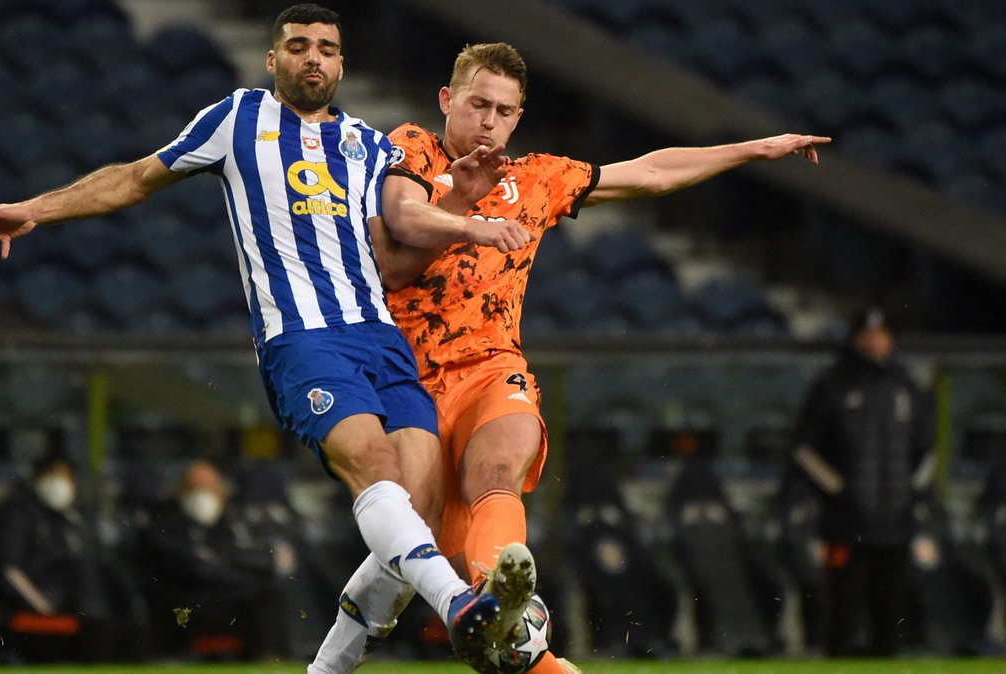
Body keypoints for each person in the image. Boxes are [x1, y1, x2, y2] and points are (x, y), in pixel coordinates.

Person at [0, 6, 537, 670]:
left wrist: (461, 208)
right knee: (373, 466)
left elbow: (402, 231)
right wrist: (35, 208)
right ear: (273, 60)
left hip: (380, 336)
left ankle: (330, 666)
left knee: (418, 525)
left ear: (342, 65)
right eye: (298, 46)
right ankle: (463, 606)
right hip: (302, 338)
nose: (313, 57)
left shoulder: (368, 145)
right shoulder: (237, 119)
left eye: (327, 48)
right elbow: (137, 177)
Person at [310, 42, 831, 674]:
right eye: (477, 104)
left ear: (517, 119)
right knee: (421, 557)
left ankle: (502, 596)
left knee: (499, 465)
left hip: (490, 367)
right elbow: (404, 219)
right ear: (448, 101)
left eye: (503, 111)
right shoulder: (411, 149)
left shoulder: (537, 179)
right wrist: (468, 215)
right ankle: (428, 636)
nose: (488, 122)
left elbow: (651, 172)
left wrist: (751, 149)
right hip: (407, 382)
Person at [790, 307, 934, 656]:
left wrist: (911, 494)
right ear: (854, 338)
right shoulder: (832, 386)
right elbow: (802, 448)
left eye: (881, 334)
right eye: (867, 334)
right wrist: (838, 489)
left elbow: (928, 451)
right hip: (845, 523)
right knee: (843, 613)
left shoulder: (908, 387)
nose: (874, 341)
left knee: (890, 616)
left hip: (896, 523)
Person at [138, 460, 278, 659]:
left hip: (230, 594)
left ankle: (262, 654)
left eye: (209, 487)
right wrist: (224, 565)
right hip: (184, 599)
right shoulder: (164, 521)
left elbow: (256, 557)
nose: (202, 495)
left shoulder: (232, 521)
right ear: (181, 490)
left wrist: (222, 563)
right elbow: (190, 566)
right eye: (195, 487)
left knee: (265, 590)